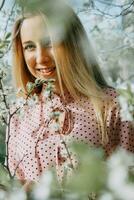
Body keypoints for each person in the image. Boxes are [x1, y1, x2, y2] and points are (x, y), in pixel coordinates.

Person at [7, 0, 134, 187]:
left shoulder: (114, 106)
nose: (41, 58)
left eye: (49, 42)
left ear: (74, 43)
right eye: (30, 47)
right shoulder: (18, 115)